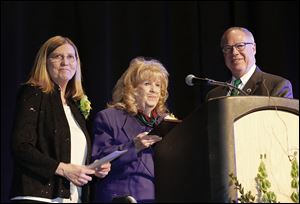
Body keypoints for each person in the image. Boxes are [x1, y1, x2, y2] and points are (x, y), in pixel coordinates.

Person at [10, 36, 111, 203]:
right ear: (45, 62)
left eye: (71, 57)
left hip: (71, 198)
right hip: (37, 197)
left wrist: (93, 169)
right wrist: (63, 169)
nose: (65, 62)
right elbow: (21, 147)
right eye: (58, 56)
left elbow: (71, 157)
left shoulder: (74, 106)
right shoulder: (33, 93)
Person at [91, 57, 171, 203]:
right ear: (132, 89)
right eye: (147, 84)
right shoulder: (109, 118)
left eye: (158, 85)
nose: (154, 90)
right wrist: (133, 146)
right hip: (121, 198)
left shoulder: (165, 123)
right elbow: (98, 160)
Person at [206, 26, 293, 100]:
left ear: (253, 48)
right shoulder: (214, 95)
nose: (234, 52)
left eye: (240, 46)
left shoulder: (275, 86)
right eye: (228, 48)